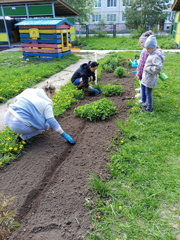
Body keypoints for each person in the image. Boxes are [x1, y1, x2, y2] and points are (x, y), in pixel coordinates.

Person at [4, 81, 75, 145]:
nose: (52, 97)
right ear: (49, 92)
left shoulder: (29, 91)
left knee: (32, 117)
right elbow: (51, 121)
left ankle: (22, 128)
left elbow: (16, 100)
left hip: (7, 117)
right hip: (17, 126)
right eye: (53, 94)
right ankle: (23, 137)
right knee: (45, 125)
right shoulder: (46, 103)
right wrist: (64, 134)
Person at [140, 35, 165, 113]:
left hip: (150, 79)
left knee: (148, 93)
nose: (146, 50)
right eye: (146, 48)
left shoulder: (155, 56)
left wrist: (148, 69)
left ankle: (149, 108)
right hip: (148, 78)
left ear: (153, 47)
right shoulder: (152, 53)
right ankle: (147, 104)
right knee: (147, 92)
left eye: (148, 48)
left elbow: (158, 68)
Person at [136, 30, 153, 104]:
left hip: (143, 72)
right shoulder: (148, 49)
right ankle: (142, 95)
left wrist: (139, 74)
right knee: (143, 86)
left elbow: (142, 64)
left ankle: (143, 99)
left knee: (143, 86)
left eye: (142, 42)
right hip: (145, 71)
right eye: (140, 42)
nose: (141, 44)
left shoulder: (145, 51)